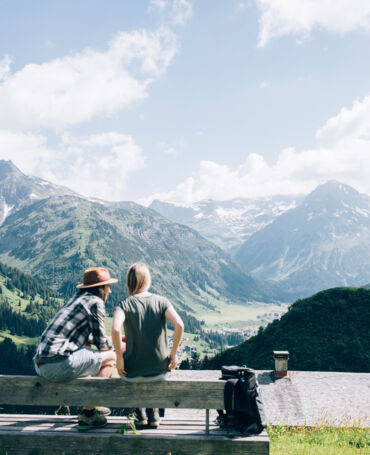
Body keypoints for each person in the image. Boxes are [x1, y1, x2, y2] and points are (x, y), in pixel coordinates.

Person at [33, 267, 117, 431]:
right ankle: (89, 412)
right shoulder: (96, 302)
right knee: (111, 357)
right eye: (107, 287)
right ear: (100, 289)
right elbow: (102, 345)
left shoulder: (77, 299)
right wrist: (118, 348)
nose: (110, 291)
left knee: (88, 351)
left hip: (41, 365)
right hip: (58, 365)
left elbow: (87, 339)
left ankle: (88, 403)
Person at [112, 262, 184, 428]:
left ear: (129, 282)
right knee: (151, 375)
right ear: (147, 280)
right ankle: (154, 413)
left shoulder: (123, 305)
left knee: (132, 369)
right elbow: (179, 325)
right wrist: (173, 353)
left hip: (132, 373)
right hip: (160, 371)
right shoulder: (161, 301)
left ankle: (140, 414)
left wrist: (118, 358)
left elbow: (115, 329)